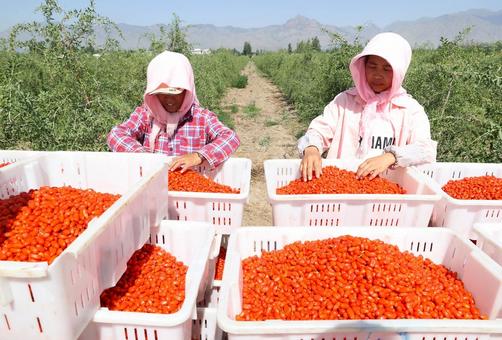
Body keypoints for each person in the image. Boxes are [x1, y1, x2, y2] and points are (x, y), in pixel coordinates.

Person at [298, 32, 437, 181]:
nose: (378, 75)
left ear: (399, 72)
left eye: (387, 69)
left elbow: (425, 149)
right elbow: (317, 132)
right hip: (343, 187)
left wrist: (391, 157)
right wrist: (311, 149)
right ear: (362, 68)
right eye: (372, 66)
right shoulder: (345, 102)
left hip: (388, 193)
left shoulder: (409, 110)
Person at [107, 51, 240, 172]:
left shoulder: (201, 118)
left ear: (187, 91)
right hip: (153, 187)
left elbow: (230, 137)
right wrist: (142, 156)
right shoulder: (146, 115)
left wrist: (198, 156)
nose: (169, 99)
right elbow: (116, 134)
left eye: (176, 92)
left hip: (190, 192)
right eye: (162, 93)